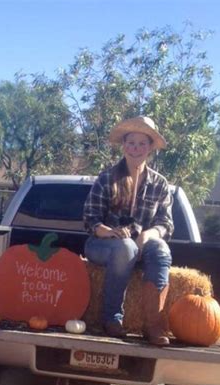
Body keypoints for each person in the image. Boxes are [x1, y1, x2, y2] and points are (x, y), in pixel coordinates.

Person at [83, 116, 174, 345]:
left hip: (141, 244)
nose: (136, 148)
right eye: (131, 143)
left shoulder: (160, 184)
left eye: (142, 143)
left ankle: (153, 325)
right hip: (102, 245)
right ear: (124, 145)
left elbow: (166, 223)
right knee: (125, 246)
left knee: (161, 249)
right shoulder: (107, 178)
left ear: (150, 147)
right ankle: (112, 318)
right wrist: (108, 231)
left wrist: (149, 235)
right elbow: (90, 219)